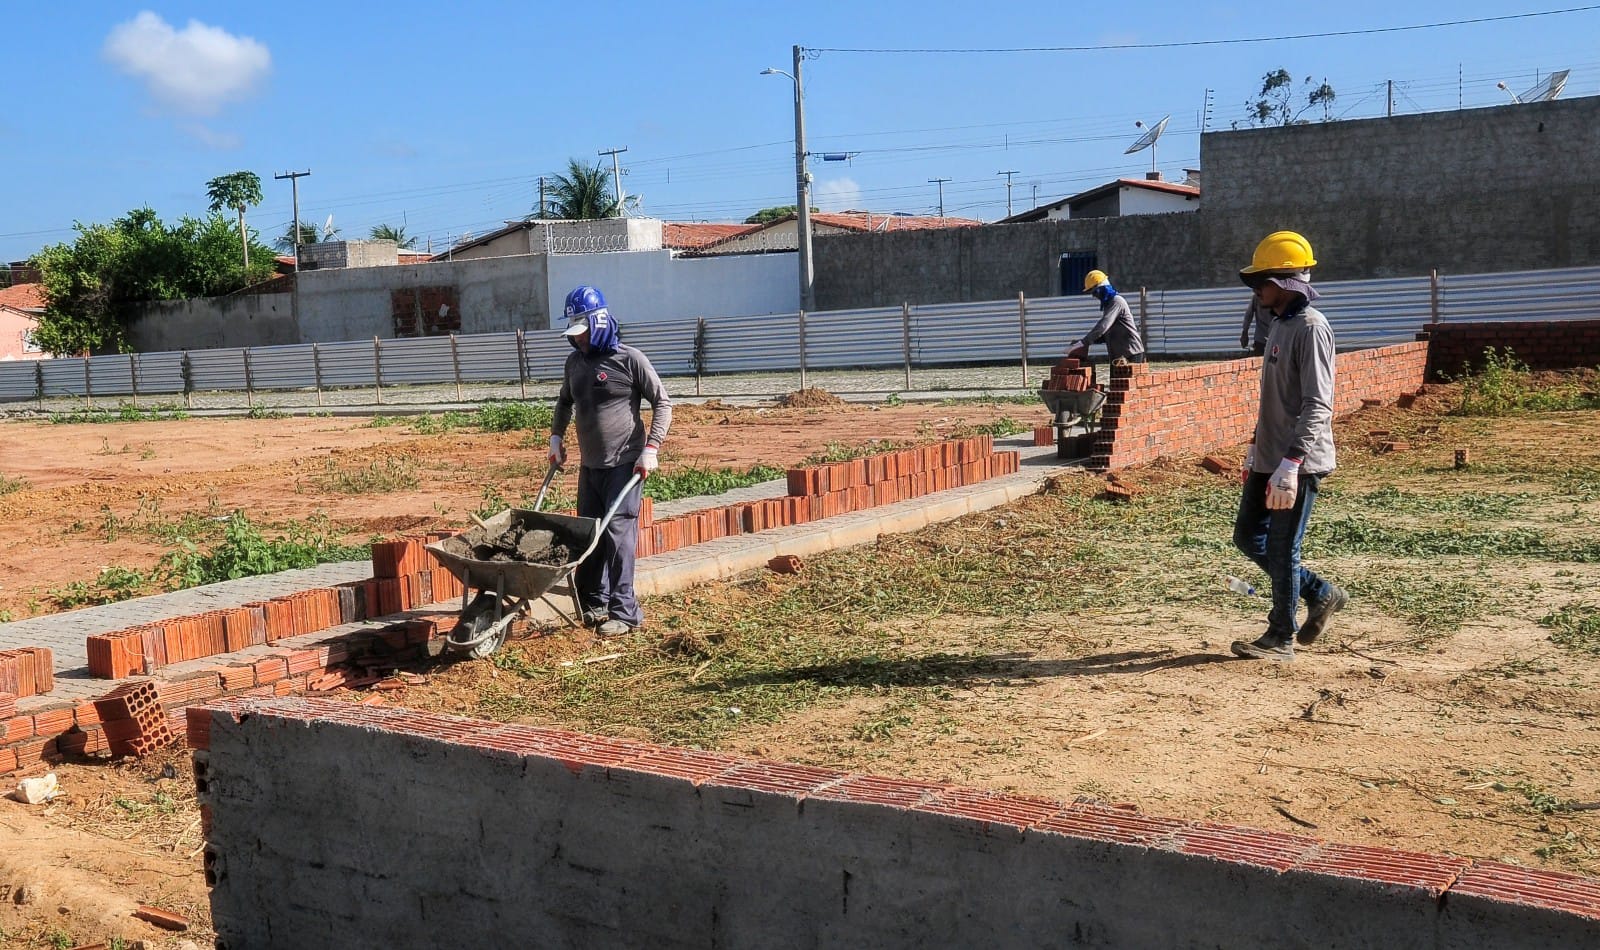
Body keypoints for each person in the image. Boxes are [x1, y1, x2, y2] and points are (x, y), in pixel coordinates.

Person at [1230, 231, 1348, 662]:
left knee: (1282, 546)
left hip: (1297, 461)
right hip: (1269, 456)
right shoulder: (1279, 324)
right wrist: (1255, 449)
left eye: (1260, 282)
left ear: (1282, 282)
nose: (1256, 290)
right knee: (1248, 536)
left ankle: (1281, 636)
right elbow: (1275, 401)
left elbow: (1319, 403)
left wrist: (1292, 462)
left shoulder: (1312, 329)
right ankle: (1322, 593)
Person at [548, 285, 672, 638]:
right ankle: (593, 602)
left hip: (625, 463)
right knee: (590, 535)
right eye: (574, 334)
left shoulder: (630, 359)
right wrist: (556, 438)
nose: (579, 340)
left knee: (618, 537)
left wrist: (652, 448)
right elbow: (563, 402)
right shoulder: (574, 363)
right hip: (591, 467)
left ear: (599, 322)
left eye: (583, 331)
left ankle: (625, 612)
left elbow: (663, 403)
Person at [1067, 269, 1146, 365]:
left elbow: (1103, 326)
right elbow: (1106, 333)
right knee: (1115, 380)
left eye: (1095, 292)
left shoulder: (1117, 302)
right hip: (1118, 355)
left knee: (1127, 380)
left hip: (1131, 353)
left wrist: (1084, 342)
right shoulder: (1108, 305)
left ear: (1102, 288)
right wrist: (1084, 342)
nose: (1094, 296)